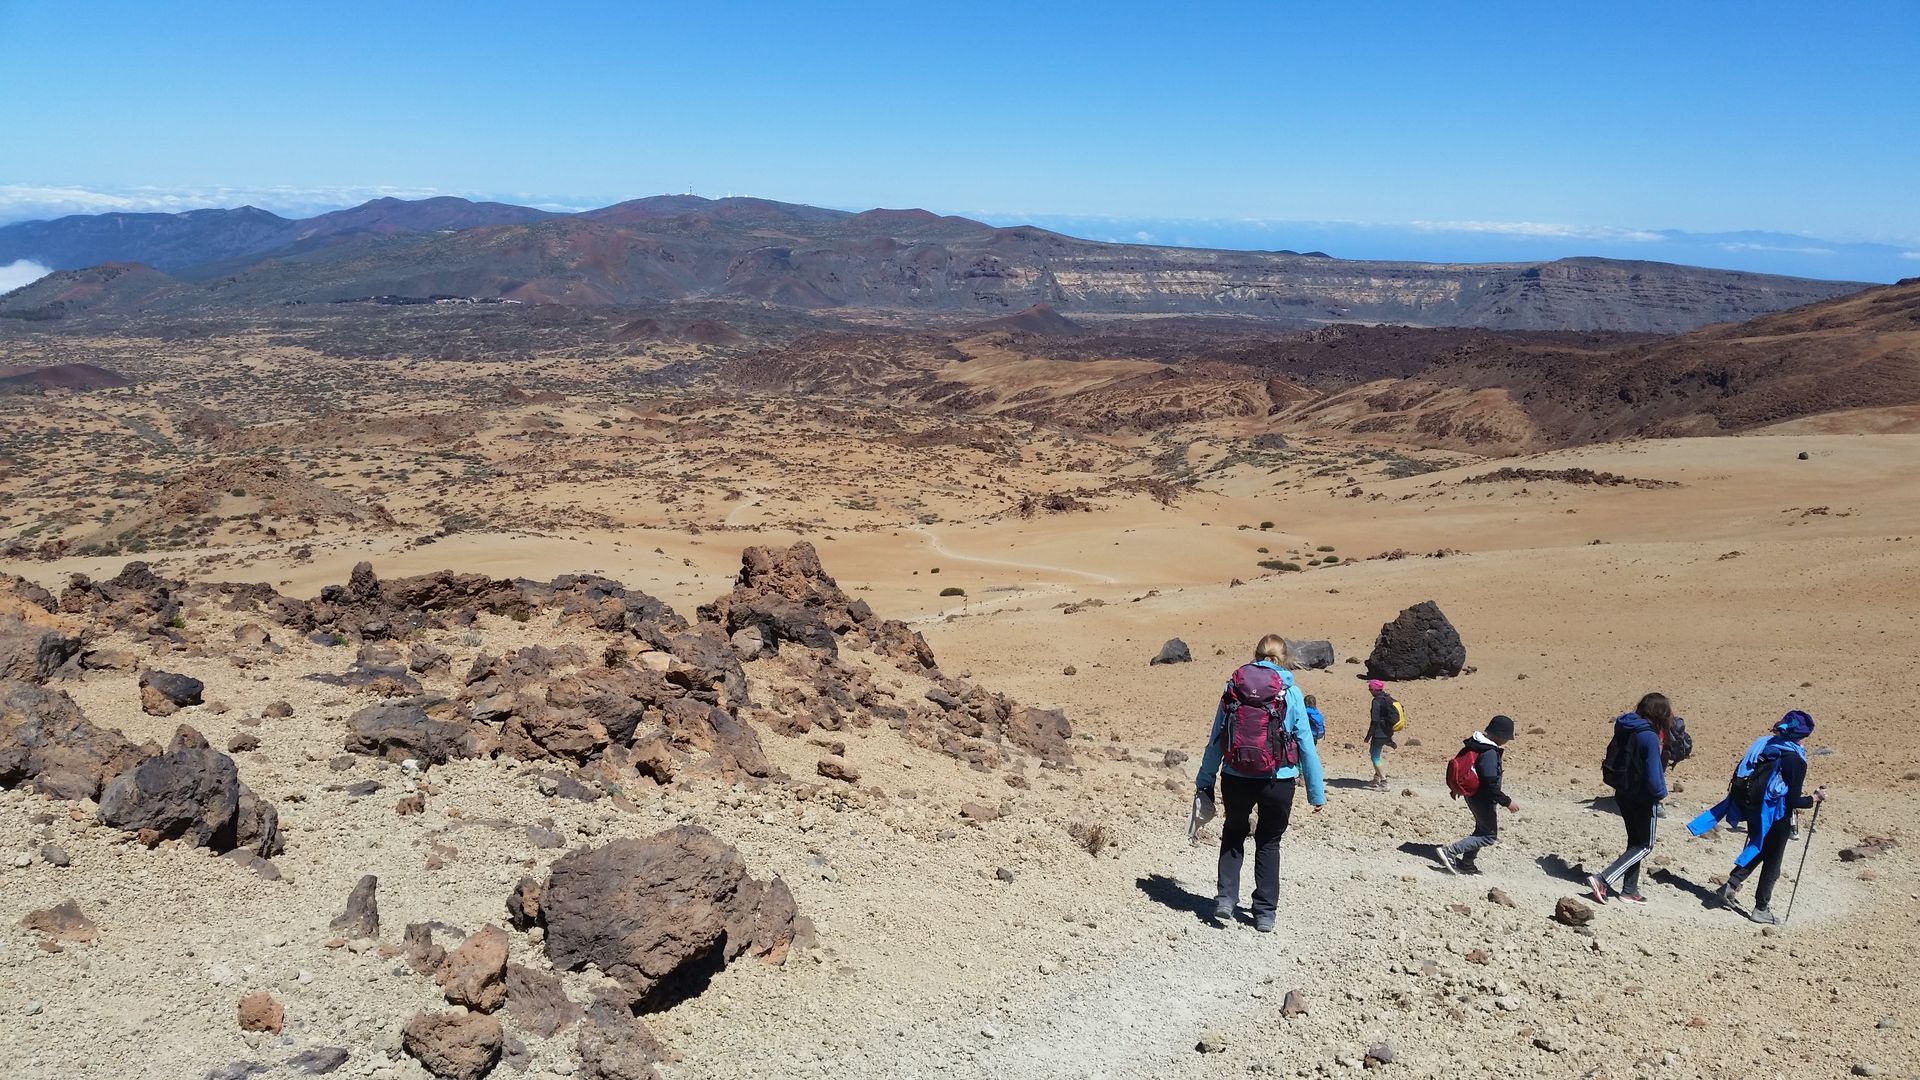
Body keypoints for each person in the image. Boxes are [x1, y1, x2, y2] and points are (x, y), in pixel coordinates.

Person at [1195, 634, 1328, 932]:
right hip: (1278, 781)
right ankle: (1265, 913)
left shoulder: (1233, 687)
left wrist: (1205, 780)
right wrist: (1315, 792)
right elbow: (1305, 743)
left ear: (1255, 654)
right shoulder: (1291, 692)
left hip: (1235, 776)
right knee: (1269, 841)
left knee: (1234, 832)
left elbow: (1217, 736)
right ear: (1285, 658)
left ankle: (1226, 899)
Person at [1687, 711, 1828, 925]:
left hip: (1753, 808)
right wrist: (1814, 798)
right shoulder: (1795, 759)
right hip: (1776, 816)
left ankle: (1730, 886)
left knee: (1759, 848)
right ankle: (1761, 909)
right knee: (1772, 863)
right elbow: (1793, 800)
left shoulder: (1764, 744)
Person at [1588, 693, 1671, 905]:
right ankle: (1603, 879)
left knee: (1635, 842)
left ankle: (1629, 890)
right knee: (1645, 845)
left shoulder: (1626, 727)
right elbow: (1653, 773)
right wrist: (1660, 794)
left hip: (1624, 793)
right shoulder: (1649, 736)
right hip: (1643, 797)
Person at [1435, 715, 1519, 874]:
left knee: (1482, 830)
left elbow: (1464, 767)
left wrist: (1457, 787)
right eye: (1507, 737)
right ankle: (1450, 851)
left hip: (1472, 795)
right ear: (1500, 735)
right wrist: (1507, 802)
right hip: (1482, 798)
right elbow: (1489, 783)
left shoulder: (1475, 744)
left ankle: (1467, 864)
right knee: (1488, 836)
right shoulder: (1489, 752)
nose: (1507, 741)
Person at [1365, 679, 1398, 789]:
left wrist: (1368, 736)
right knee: (1377, 754)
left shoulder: (1376, 701)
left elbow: (1374, 720)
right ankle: (1376, 778)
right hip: (1387, 731)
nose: (1369, 691)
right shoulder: (1388, 699)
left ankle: (1384, 781)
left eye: (1370, 689)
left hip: (1379, 733)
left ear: (1375, 690)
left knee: (1375, 756)